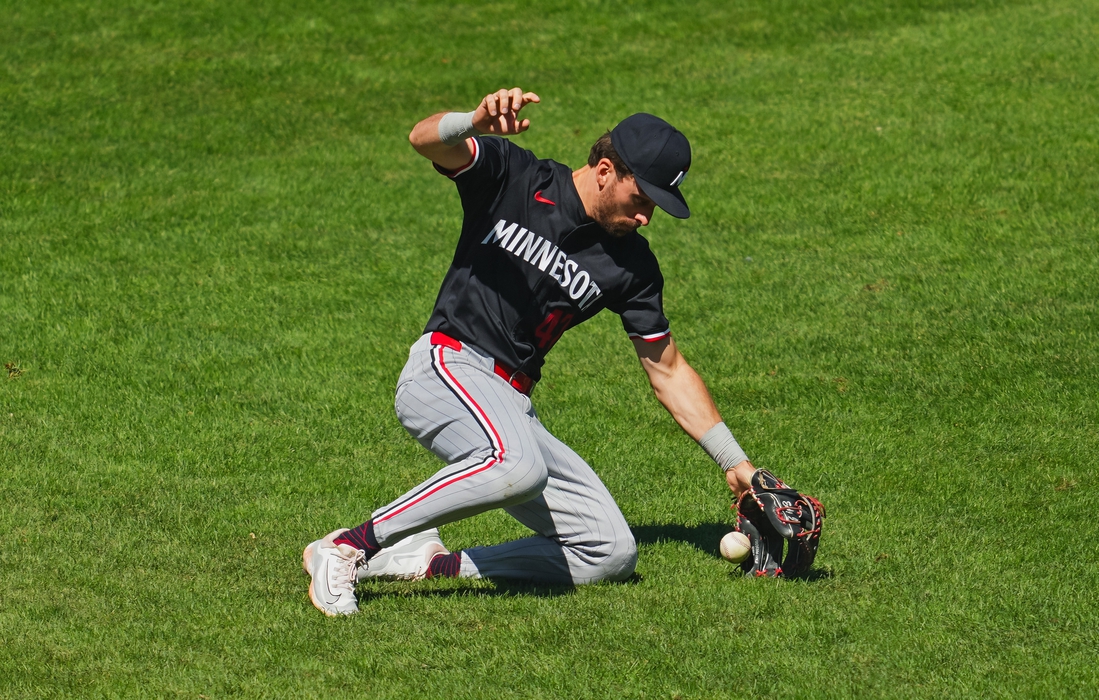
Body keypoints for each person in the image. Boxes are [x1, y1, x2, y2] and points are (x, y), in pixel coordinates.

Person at [303, 87, 762, 616]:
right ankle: (349, 546)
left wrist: (735, 462)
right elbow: (423, 139)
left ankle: (429, 563)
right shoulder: (516, 177)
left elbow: (669, 370)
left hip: (512, 404)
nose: (647, 218)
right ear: (607, 169)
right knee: (516, 466)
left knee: (610, 552)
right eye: (643, 200)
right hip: (446, 366)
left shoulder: (633, 267)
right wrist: (472, 121)